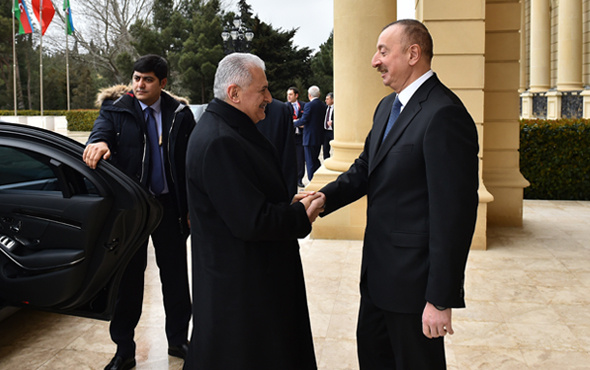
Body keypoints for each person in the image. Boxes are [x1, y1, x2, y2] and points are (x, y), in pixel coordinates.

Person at [317, 19, 479, 369]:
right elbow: (365, 168)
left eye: (383, 51)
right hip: (377, 282)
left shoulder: (445, 114)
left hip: (414, 290)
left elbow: (454, 216)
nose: (375, 61)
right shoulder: (386, 107)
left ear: (413, 54)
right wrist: (323, 198)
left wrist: (440, 298)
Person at [184, 53, 325, 369]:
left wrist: (284, 204)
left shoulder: (227, 128)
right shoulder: (221, 140)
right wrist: (301, 215)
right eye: (262, 90)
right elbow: (251, 222)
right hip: (242, 292)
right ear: (234, 93)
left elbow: (242, 200)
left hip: (246, 283)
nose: (269, 98)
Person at [83, 54, 194, 370]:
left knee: (175, 278)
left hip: (169, 209)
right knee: (127, 282)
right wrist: (99, 142)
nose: (140, 84)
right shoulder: (116, 110)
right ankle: (124, 350)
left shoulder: (180, 114)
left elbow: (191, 162)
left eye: (147, 79)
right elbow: (100, 132)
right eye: (136, 78)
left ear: (163, 82)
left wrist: (191, 208)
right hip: (131, 210)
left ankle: (177, 340)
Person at [257, 98, 298, 197]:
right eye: (262, 90)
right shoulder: (221, 116)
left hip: (273, 198)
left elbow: (288, 158)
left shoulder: (280, 110)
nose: (268, 95)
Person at [297, 85, 326, 182]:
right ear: (319, 94)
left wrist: (293, 123)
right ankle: (318, 178)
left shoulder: (309, 105)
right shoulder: (323, 105)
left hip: (309, 137)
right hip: (318, 137)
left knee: (309, 161)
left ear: (309, 95)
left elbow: (304, 120)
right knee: (315, 159)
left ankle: (311, 181)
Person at [286, 87, 306, 187]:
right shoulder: (285, 106)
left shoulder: (303, 105)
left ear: (296, 95)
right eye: (288, 95)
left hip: (300, 136)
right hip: (290, 136)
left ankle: (299, 179)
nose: (288, 97)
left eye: (290, 94)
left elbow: (306, 119)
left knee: (300, 159)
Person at [323, 92, 334, 159]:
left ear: (332, 100)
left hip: (333, 131)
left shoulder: (337, 108)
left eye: (327, 99)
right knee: (325, 149)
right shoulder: (326, 108)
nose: (326, 100)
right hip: (326, 131)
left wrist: (333, 123)